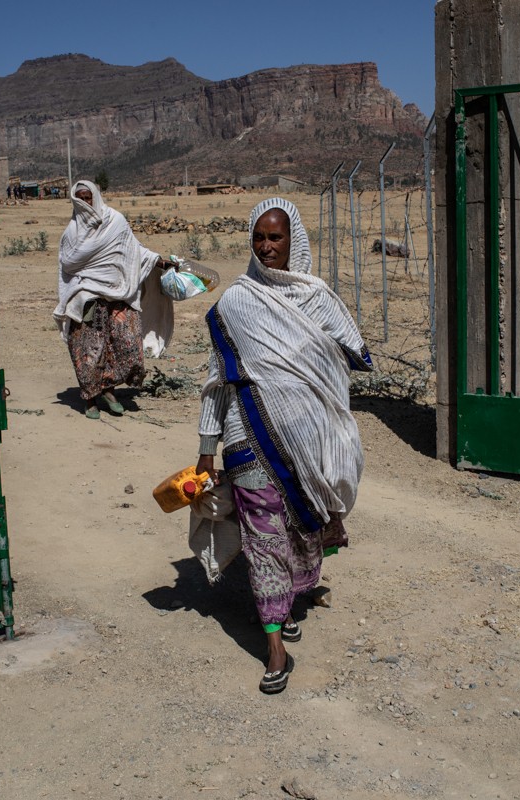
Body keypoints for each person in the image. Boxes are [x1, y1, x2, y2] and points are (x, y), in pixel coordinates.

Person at [194, 197, 372, 694]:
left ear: (294, 241)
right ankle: (275, 646)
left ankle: (291, 599)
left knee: (300, 531)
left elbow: (350, 357)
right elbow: (217, 379)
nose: (267, 247)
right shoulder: (235, 302)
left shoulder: (318, 298)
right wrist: (207, 448)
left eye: (276, 238)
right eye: (259, 238)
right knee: (263, 540)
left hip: (310, 443)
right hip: (247, 435)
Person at [53, 180, 173, 419]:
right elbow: (67, 263)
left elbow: (134, 249)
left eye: (89, 197)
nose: (86, 203)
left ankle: (108, 388)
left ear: (96, 196)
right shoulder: (72, 232)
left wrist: (159, 261)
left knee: (128, 345)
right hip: (86, 296)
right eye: (80, 199)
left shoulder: (115, 221)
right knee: (88, 350)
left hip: (119, 292)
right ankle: (90, 398)